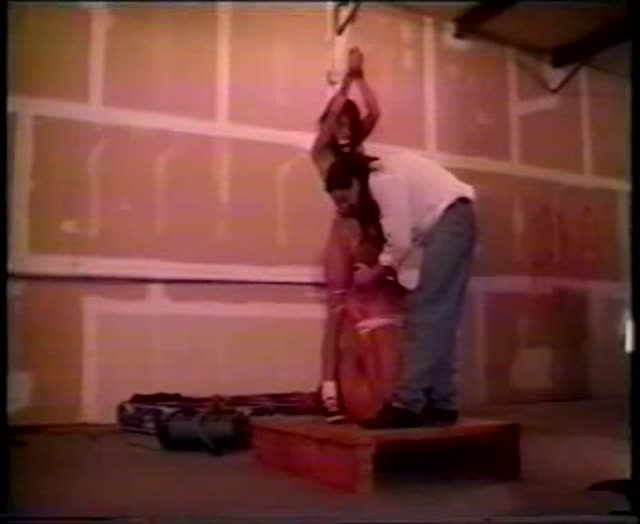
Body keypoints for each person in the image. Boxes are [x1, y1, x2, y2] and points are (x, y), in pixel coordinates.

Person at [323, 151, 477, 429]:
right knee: (440, 317)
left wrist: (375, 273)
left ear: (356, 182)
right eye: (338, 203)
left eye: (346, 198)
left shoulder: (381, 179)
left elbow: (401, 243)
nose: (345, 207)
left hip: (451, 220)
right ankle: (443, 402)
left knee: (426, 311)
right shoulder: (383, 178)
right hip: (454, 219)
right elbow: (403, 241)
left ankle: (407, 404)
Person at [312, 47, 400, 422]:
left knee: (367, 303)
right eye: (340, 126)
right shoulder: (322, 153)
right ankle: (328, 391)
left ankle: (368, 386)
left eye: (351, 126)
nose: (346, 131)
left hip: (363, 234)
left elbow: (375, 113)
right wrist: (347, 80)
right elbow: (332, 116)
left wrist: (362, 78)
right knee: (336, 311)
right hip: (340, 235)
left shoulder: (357, 154)